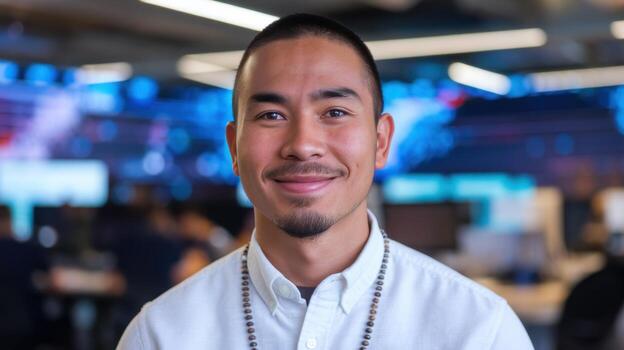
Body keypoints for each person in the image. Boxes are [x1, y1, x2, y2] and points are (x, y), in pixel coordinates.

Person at [118, 14, 533, 349]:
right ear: (234, 148)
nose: (302, 145)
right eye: (271, 116)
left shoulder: (477, 331)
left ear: (381, 141)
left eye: (334, 112)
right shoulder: (161, 335)